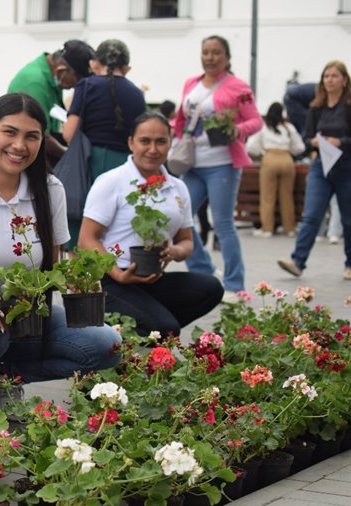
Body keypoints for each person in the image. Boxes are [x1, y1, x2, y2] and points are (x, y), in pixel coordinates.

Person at [0, 92, 121, 397]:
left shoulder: (50, 189)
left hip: (25, 315)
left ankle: (2, 376)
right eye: (9, 132)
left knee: (106, 345)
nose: (19, 145)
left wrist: (79, 281)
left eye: (31, 136)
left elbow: (54, 266)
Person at [79, 111, 224, 338]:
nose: (153, 149)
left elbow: (186, 241)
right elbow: (86, 239)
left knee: (211, 288)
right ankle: (142, 330)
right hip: (110, 280)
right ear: (131, 143)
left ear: (170, 143)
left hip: (152, 277)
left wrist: (174, 251)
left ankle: (146, 327)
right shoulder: (112, 181)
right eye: (145, 141)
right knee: (165, 327)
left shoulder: (178, 187)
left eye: (161, 141)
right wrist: (118, 274)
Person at [172, 35, 261, 300]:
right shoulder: (191, 83)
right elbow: (180, 119)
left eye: (216, 52)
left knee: (223, 223)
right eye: (206, 52)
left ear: (227, 57)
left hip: (222, 163)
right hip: (191, 163)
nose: (210, 57)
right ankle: (204, 271)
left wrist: (237, 130)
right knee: (179, 218)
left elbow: (256, 121)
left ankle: (235, 285)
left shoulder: (238, 87)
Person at [62, 39, 146, 248]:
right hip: (124, 166)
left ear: (94, 64)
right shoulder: (136, 94)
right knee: (115, 230)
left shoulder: (86, 86)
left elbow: (69, 133)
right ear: (126, 68)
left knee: (81, 229)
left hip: (90, 164)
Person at [277, 61, 351, 281]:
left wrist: (340, 142)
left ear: (344, 80)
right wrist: (314, 143)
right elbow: (306, 138)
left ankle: (350, 264)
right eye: (326, 76)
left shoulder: (348, 107)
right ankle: (298, 262)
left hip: (346, 166)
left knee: (348, 219)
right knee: (311, 215)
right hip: (321, 165)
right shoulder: (316, 107)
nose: (329, 80)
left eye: (334, 76)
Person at [7, 40, 95, 167]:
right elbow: (41, 137)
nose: (75, 87)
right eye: (77, 82)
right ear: (62, 71)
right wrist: (68, 155)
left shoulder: (52, 78)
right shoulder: (35, 83)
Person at [246, 102, 305, 238]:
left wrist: (262, 153)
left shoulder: (263, 127)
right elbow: (299, 147)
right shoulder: (289, 128)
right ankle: (289, 228)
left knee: (267, 197)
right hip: (287, 159)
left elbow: (251, 146)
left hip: (270, 158)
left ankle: (267, 229)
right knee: (287, 196)